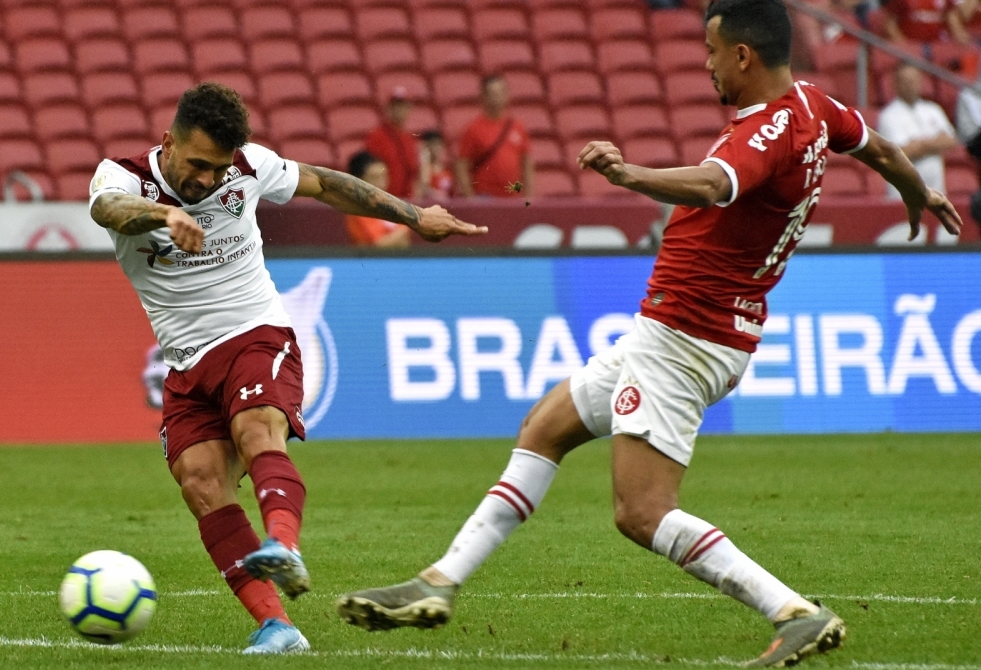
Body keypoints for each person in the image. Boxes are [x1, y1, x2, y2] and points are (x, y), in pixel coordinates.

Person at [336, 1, 961, 667]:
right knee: (544, 427)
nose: (707, 63)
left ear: (744, 56)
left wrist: (629, 175)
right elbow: (882, 148)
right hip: (680, 328)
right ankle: (437, 583)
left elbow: (712, 184)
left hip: (687, 336)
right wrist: (916, 191)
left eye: (713, 51)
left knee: (641, 511)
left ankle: (792, 610)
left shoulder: (768, 133)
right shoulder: (816, 104)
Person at [87, 83, 483, 654]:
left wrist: (415, 215)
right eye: (197, 164)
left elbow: (325, 183)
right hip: (184, 362)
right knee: (201, 483)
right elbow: (109, 210)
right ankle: (279, 626)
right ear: (168, 142)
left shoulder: (247, 167)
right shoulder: (122, 177)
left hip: (255, 333)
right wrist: (162, 215)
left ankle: (284, 545)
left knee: (256, 428)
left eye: (218, 168)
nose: (208, 179)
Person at [877, 63, 957, 199]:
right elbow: (901, 152)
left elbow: (950, 140)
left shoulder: (933, 109)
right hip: (903, 194)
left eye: (914, 80)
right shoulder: (888, 115)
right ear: (896, 84)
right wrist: (934, 142)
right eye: (906, 81)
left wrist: (920, 144)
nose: (910, 85)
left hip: (936, 192)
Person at [455, 74, 534, 199]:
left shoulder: (517, 127)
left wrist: (529, 196)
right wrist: (470, 197)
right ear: (483, 97)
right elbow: (461, 166)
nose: (496, 98)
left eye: (500, 92)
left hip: (513, 198)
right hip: (485, 197)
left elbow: (526, 163)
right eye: (492, 94)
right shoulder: (473, 129)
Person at [343, 151, 411, 248]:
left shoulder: (391, 206)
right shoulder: (359, 209)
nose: (381, 184)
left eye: (384, 176)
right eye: (374, 177)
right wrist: (402, 232)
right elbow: (377, 246)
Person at [364, 86, 421, 199]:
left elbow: (414, 173)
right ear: (388, 108)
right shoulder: (376, 136)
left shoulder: (410, 139)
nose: (399, 110)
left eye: (402, 106)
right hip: (383, 200)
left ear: (409, 109)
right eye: (395, 106)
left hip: (405, 202)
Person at [419, 130, 455, 201]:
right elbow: (424, 186)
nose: (436, 148)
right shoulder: (425, 169)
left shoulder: (447, 168)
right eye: (433, 144)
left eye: (439, 144)